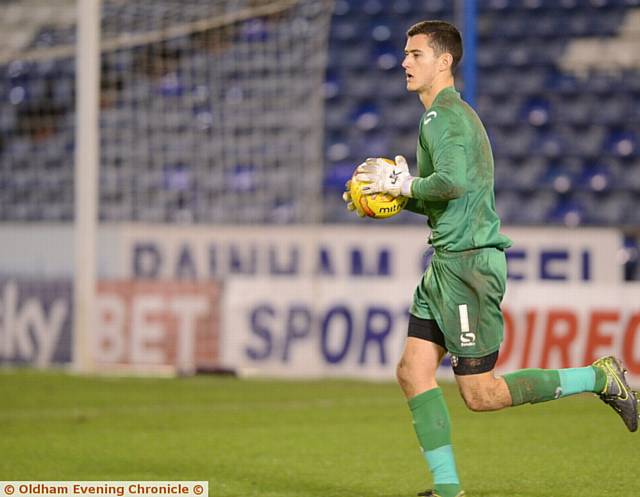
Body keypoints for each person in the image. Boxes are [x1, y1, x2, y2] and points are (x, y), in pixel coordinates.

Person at [342, 20, 638, 497]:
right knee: (412, 372)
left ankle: (599, 376)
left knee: (480, 395)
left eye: (415, 54)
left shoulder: (444, 117)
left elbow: (451, 182)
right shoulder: (444, 116)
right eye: (404, 53)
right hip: (446, 265)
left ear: (444, 62)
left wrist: (406, 185)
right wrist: (394, 196)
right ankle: (447, 490)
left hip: (467, 269)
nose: (404, 62)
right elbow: (447, 196)